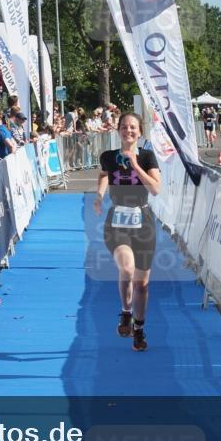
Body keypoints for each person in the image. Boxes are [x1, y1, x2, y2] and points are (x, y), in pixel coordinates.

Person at [93, 113, 161, 352]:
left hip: (143, 222)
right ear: (118, 130)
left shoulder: (147, 156)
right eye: (124, 127)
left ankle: (139, 329)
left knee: (142, 285)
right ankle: (126, 312)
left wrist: (135, 165)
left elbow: (155, 189)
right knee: (127, 268)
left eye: (133, 127)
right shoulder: (108, 156)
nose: (128, 130)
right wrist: (99, 196)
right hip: (117, 222)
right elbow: (104, 175)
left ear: (139, 132)